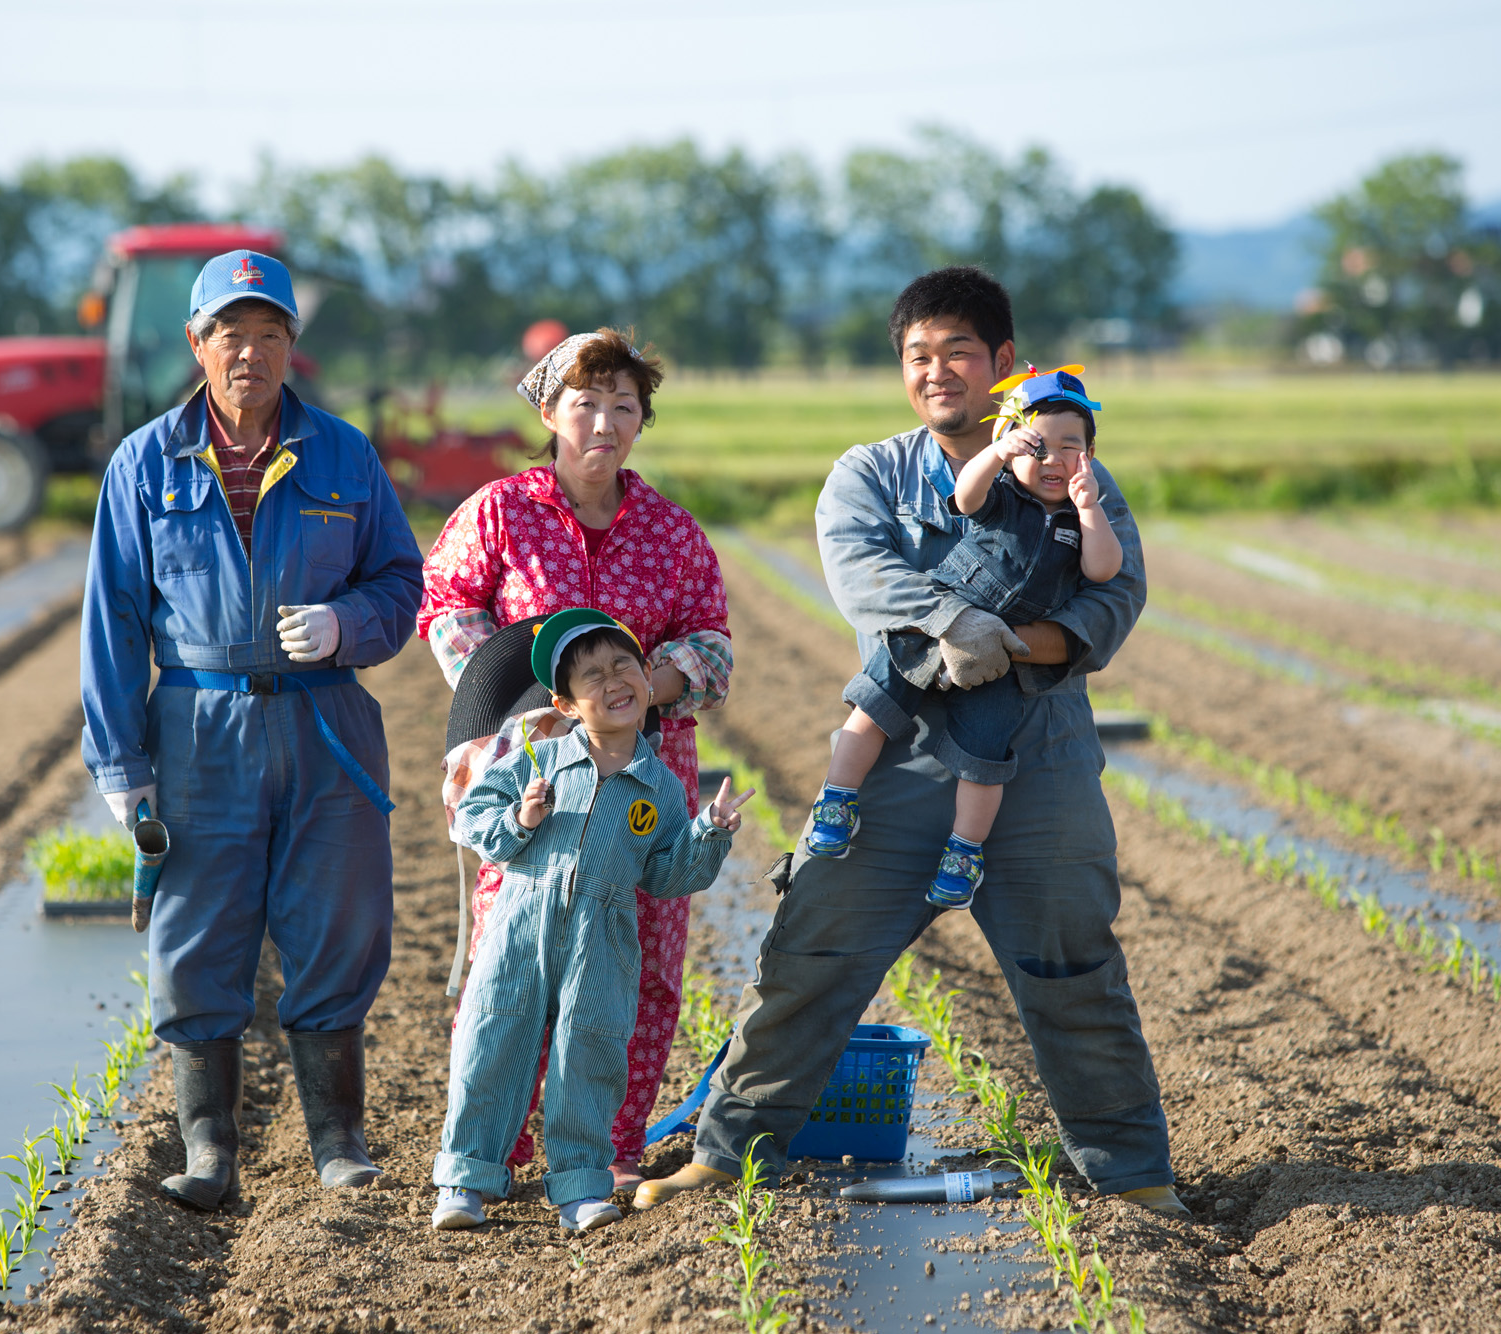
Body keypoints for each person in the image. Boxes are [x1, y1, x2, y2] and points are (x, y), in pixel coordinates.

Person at [636, 267, 1188, 1217]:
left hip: (1037, 759)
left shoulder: (1070, 468)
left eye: (960, 352)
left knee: (1074, 966)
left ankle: (1132, 1174)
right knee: (810, 951)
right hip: (899, 759)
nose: (939, 372)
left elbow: (1114, 597)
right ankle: (726, 1155)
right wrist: (950, 622)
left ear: (1005, 364)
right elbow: (863, 580)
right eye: (918, 356)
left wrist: (1010, 643)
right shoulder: (871, 474)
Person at [80, 248, 423, 1209]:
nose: (250, 353)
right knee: (197, 933)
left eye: (270, 334)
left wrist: (345, 626)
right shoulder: (145, 462)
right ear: (197, 344)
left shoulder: (345, 455)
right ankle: (208, 1152)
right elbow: (112, 615)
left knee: (337, 924)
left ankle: (339, 1144)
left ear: (291, 349)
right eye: (231, 334)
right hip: (198, 726)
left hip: (327, 725)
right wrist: (121, 761)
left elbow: (403, 583)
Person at [419, 328, 732, 1191]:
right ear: (550, 412)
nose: (605, 422)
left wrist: (644, 686)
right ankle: (493, 1152)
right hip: (532, 783)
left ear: (642, 422)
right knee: (513, 963)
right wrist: (530, 703)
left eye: (624, 407)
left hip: (641, 781)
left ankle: (607, 1149)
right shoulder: (500, 513)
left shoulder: (671, 532)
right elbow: (446, 606)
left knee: (638, 963)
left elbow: (713, 641)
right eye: (585, 404)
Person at [433, 609, 751, 1233]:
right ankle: (465, 1179)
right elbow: (472, 816)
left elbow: (666, 875)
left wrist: (709, 833)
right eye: (593, 676)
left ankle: (581, 1184)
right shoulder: (537, 757)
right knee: (491, 1040)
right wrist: (518, 823)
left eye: (624, 665)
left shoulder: (657, 785)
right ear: (567, 704)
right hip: (521, 922)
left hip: (603, 935)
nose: (614, 681)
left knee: (592, 1052)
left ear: (645, 675)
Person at [806, 368, 1122, 912]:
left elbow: (1104, 572)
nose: (1052, 459)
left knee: (984, 758)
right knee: (873, 708)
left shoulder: (1080, 516)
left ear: (1090, 454)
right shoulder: (1002, 494)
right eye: (1037, 446)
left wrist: (1090, 507)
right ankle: (836, 800)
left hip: (1002, 661)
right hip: (933, 628)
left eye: (1070, 448)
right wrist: (999, 453)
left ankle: (963, 852)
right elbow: (965, 496)